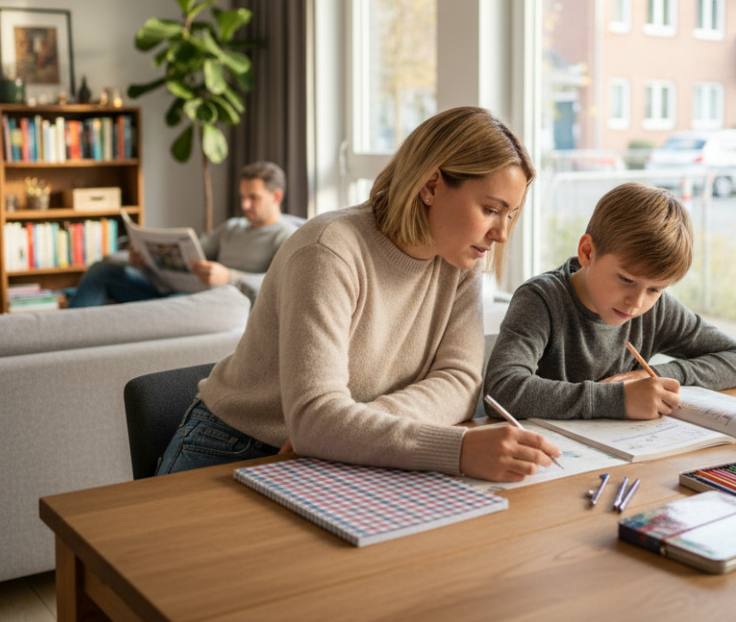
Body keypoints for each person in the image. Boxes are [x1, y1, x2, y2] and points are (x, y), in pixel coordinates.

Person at [157, 106, 562, 482]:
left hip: (344, 450)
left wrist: (353, 424)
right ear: (432, 185)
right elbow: (315, 417)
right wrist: (456, 450)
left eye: (510, 214)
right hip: (235, 449)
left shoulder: (460, 262)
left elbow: (460, 382)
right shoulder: (329, 250)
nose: (502, 233)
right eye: (491, 209)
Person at [484, 181, 736, 421]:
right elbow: (501, 390)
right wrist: (618, 399)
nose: (636, 303)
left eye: (655, 289)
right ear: (587, 252)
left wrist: (652, 376)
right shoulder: (541, 300)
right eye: (626, 280)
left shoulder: (656, 310)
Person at [68, 161, 296, 307]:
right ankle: (67, 332)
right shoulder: (233, 227)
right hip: (180, 289)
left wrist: (229, 277)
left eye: (253, 198)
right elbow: (193, 252)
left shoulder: (286, 236)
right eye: (242, 197)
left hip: (216, 301)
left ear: (276, 196)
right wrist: (146, 259)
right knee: (103, 270)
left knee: (168, 306)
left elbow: (282, 285)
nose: (245, 205)